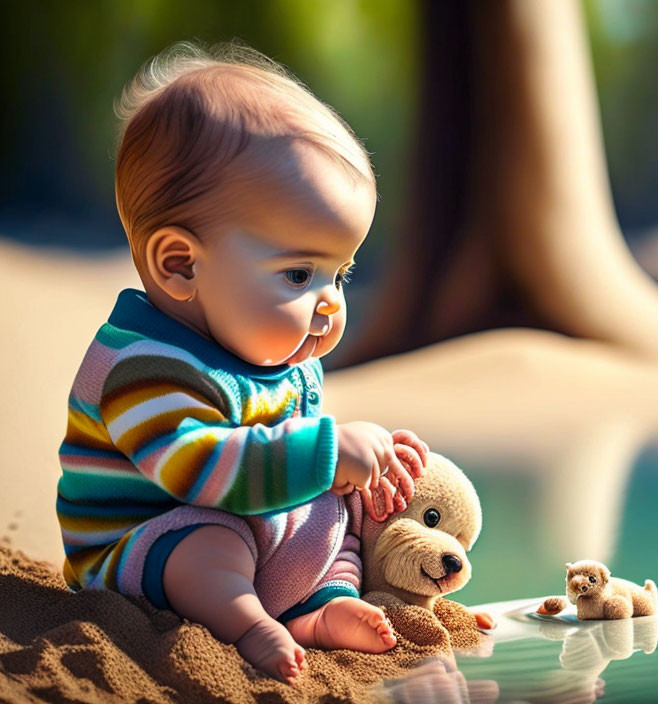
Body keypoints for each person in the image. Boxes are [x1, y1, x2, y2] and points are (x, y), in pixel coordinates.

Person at [56, 40, 429, 685]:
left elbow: (282, 452)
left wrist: (356, 468)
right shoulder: (142, 367)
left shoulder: (271, 348)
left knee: (333, 518)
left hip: (249, 519)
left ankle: (317, 608)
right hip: (142, 551)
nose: (331, 304)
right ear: (180, 266)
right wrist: (325, 451)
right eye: (299, 273)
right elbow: (197, 469)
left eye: (340, 273)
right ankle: (248, 622)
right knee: (208, 543)